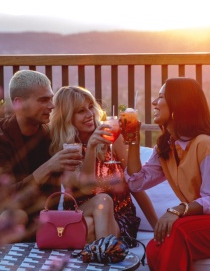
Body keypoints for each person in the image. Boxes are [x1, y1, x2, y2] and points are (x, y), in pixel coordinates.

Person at [124, 77, 210, 271]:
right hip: (205, 221)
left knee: (177, 229)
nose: (154, 102)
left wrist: (176, 211)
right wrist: (133, 140)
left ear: (178, 105)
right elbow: (136, 183)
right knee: (154, 248)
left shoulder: (204, 144)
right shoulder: (166, 147)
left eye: (161, 97)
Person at [0, 70, 83, 242]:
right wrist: (48, 167)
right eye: (43, 100)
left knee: (92, 214)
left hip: (42, 214)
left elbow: (70, 187)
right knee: (16, 217)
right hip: (1, 217)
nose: (51, 105)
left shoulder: (50, 135)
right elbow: (5, 197)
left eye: (51, 98)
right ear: (18, 103)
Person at [49, 86, 158, 245]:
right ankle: (106, 255)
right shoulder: (66, 148)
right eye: (81, 111)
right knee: (101, 202)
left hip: (119, 217)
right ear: (67, 117)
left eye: (90, 107)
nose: (89, 114)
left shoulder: (112, 137)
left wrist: (156, 226)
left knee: (98, 211)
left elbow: (134, 183)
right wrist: (91, 147)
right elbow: (86, 188)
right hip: (79, 213)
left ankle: (99, 253)